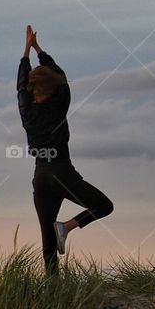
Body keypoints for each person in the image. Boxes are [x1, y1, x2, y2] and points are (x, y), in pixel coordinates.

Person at [17, 25, 113, 274]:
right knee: (103, 206)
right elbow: (61, 75)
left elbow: (19, 87)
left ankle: (53, 295)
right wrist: (39, 50)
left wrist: (26, 52)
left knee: (48, 246)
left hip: (40, 178)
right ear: (55, 86)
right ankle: (67, 227)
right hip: (61, 172)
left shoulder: (27, 111)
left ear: (31, 89)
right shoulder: (60, 104)